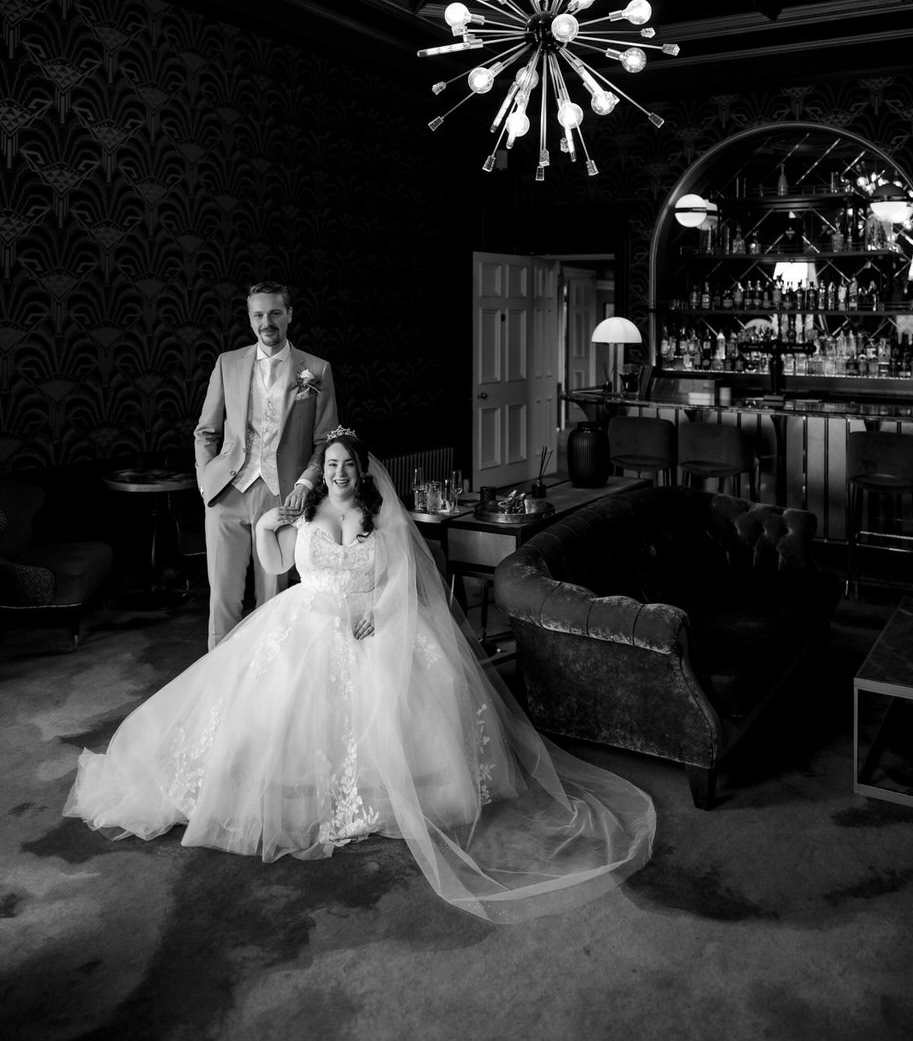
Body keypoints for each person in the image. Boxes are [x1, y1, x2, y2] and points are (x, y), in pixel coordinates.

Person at [64, 429, 655, 923]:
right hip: (308, 618)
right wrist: (266, 528)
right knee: (281, 707)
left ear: (361, 470)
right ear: (320, 471)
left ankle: (389, 793)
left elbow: (402, 576)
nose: (340, 473)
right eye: (331, 465)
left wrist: (378, 608)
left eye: (347, 464)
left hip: (374, 621)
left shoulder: (381, 518)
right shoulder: (307, 511)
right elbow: (278, 565)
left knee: (406, 702)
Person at [193, 280, 337, 649]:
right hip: (226, 494)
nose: (266, 322)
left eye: (274, 313)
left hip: (281, 496)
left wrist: (304, 484)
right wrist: (205, 479)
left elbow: (325, 441)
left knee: (272, 600)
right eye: (258, 315)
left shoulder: (316, 369)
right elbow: (206, 431)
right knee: (222, 598)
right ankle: (221, 673)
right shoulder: (228, 364)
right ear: (250, 318)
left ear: (289, 315)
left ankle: (267, 674)